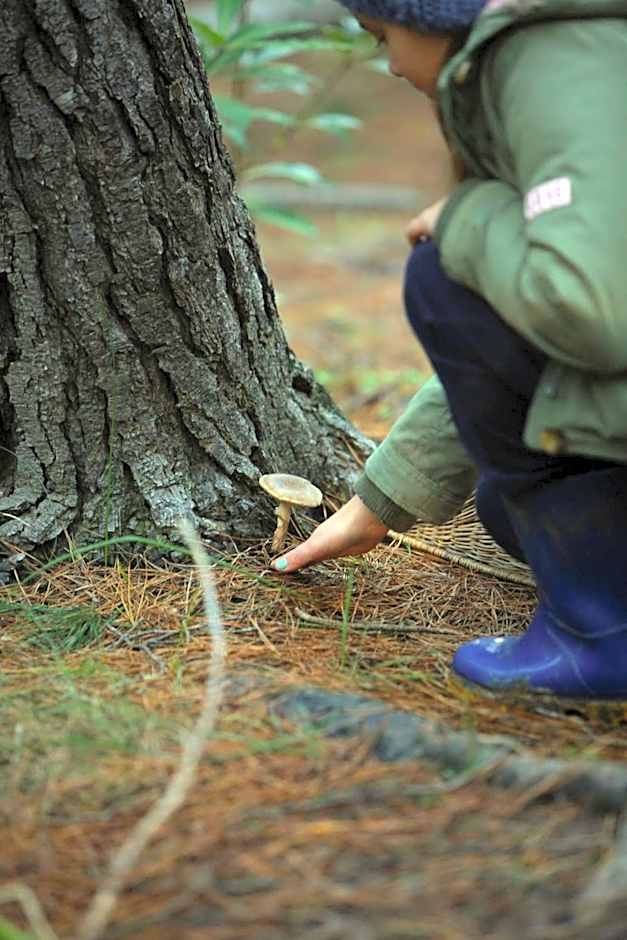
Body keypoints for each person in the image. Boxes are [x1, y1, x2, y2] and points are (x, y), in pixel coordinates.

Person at [272, 0, 627, 701]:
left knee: (439, 280)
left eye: (381, 37)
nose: (390, 65)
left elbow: (585, 311)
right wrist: (381, 502)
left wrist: (467, 217)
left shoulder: (554, 65)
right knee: (501, 505)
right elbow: (519, 340)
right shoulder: (564, 48)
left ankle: (602, 640)